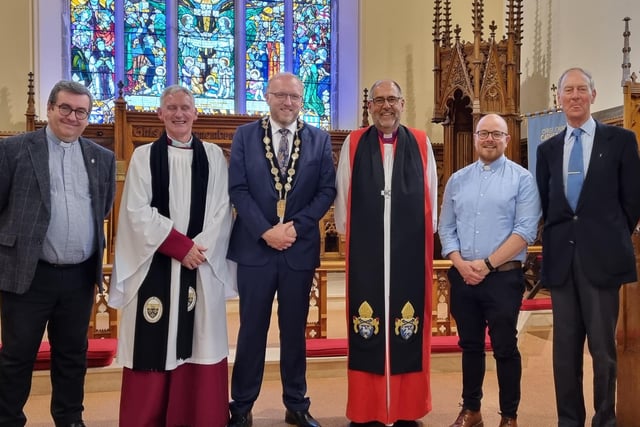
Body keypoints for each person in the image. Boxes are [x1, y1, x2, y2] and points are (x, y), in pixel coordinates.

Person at [109, 85, 236, 427]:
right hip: (156, 266)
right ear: (160, 114)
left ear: (196, 113)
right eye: (172, 108)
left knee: (200, 341)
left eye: (185, 108)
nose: (179, 114)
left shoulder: (212, 156)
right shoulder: (143, 157)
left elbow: (222, 212)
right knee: (154, 341)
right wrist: (181, 247)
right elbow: (135, 211)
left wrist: (198, 250)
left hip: (201, 267)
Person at [0, 80, 116, 427]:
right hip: (29, 273)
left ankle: (70, 419)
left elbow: (104, 209)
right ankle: (7, 419)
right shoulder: (16, 150)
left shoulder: (102, 158)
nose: (72, 116)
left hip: (79, 276)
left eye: (81, 111)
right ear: (50, 108)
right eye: (65, 108)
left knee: (71, 355)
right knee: (17, 356)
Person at [227, 72, 336, 427]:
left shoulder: (319, 140)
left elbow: (326, 192)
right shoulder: (245, 135)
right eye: (280, 95)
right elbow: (238, 189)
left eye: (294, 96)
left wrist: (294, 228)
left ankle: (296, 404)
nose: (287, 102)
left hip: (298, 249)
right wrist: (265, 231)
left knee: (294, 331)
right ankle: (241, 406)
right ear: (267, 96)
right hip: (255, 249)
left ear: (302, 100)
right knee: (251, 330)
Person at [536, 67, 640, 427]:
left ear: (594, 96)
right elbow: (548, 205)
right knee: (564, 352)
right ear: (559, 98)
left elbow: (632, 202)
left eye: (582, 89)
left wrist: (607, 236)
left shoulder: (621, 141)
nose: (575, 96)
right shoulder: (547, 149)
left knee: (602, 350)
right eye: (569, 90)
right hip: (562, 261)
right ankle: (569, 420)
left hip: (602, 260)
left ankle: (604, 420)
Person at [334, 79, 438, 427]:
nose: (385, 106)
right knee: (366, 324)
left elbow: (430, 199)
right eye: (378, 100)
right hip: (367, 252)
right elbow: (343, 202)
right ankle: (368, 409)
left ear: (402, 103)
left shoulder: (422, 143)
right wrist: (357, 242)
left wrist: (418, 238)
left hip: (409, 249)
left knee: (409, 325)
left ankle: (407, 409)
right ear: (369, 106)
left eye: (391, 99)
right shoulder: (354, 143)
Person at [439, 113, 541, 427]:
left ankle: (509, 415)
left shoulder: (522, 179)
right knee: (469, 346)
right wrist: (460, 263)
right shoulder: (458, 179)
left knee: (505, 347)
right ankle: (472, 409)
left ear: (507, 140)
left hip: (503, 278)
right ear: (475, 138)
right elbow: (446, 229)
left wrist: (484, 265)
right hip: (463, 277)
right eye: (484, 133)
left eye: (497, 134)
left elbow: (524, 231)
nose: (489, 139)